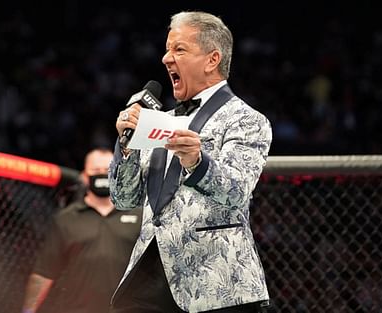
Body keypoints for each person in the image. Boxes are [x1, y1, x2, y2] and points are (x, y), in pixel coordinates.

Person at [109, 11, 272, 313]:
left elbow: (236, 193)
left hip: (215, 281)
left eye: (179, 49)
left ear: (212, 60)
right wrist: (126, 144)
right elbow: (123, 198)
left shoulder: (247, 120)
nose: (165, 58)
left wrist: (197, 161)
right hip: (148, 278)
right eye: (167, 48)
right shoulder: (159, 121)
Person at [21, 148, 142, 313]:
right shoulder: (67, 219)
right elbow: (44, 272)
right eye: (95, 170)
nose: (101, 174)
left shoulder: (139, 216)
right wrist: (28, 311)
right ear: (85, 176)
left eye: (107, 170)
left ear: (117, 173)